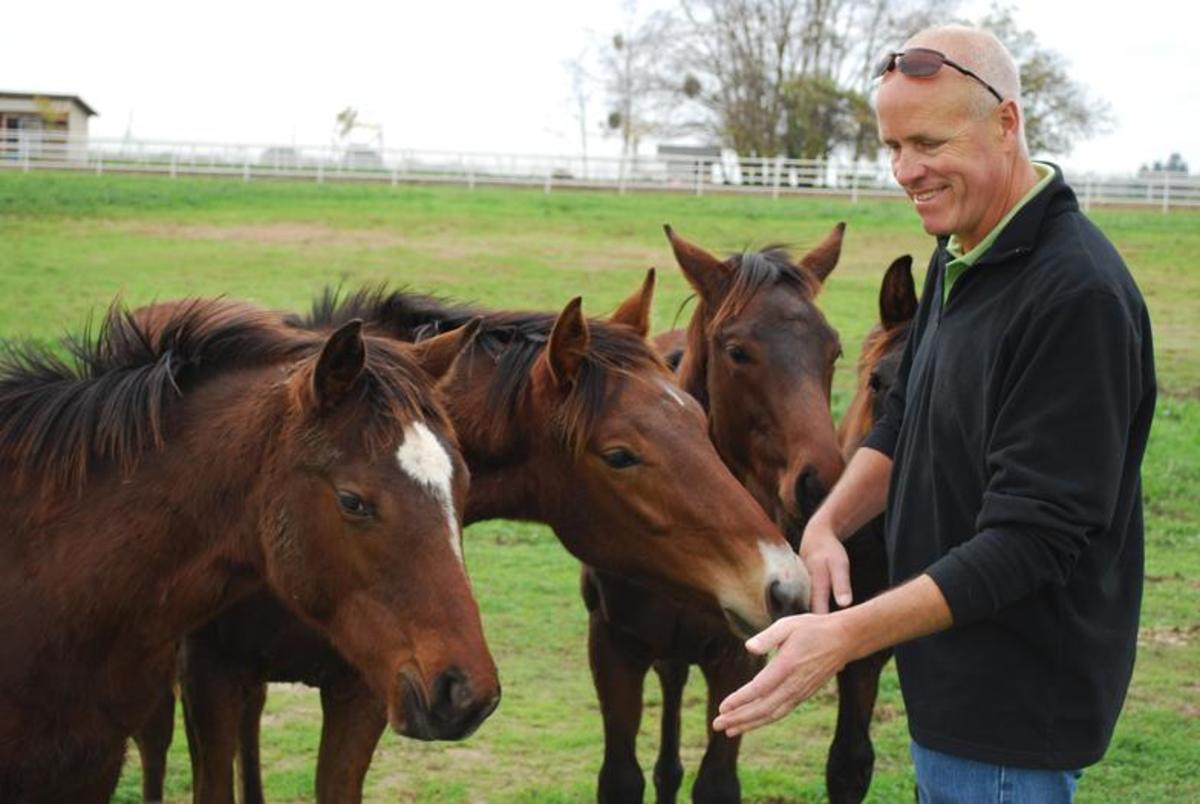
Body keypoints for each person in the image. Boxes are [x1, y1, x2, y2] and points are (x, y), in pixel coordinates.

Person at [711, 24, 1156, 802]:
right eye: (891, 146)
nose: (906, 171)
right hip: (948, 671)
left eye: (927, 142)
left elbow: (1035, 540)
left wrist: (841, 637)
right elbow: (906, 415)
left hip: (1014, 706)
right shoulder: (962, 251)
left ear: (1007, 123)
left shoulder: (1075, 295)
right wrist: (826, 524)